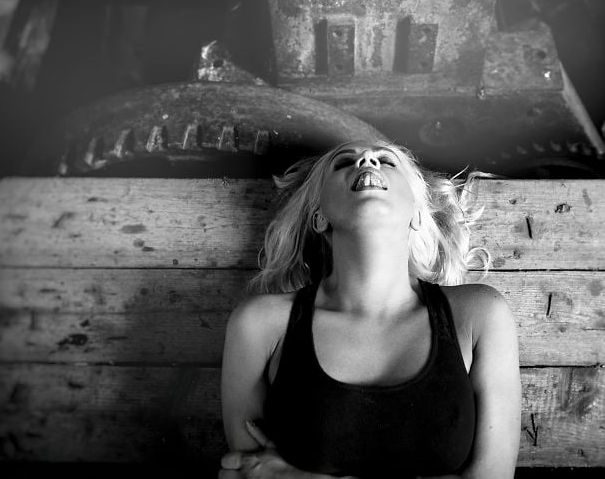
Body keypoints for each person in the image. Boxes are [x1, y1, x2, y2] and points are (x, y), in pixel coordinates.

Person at [219, 140, 521, 478]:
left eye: (387, 161)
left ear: (417, 214)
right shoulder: (259, 324)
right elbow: (244, 472)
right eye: (343, 162)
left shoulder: (480, 315)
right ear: (319, 217)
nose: (366, 159)